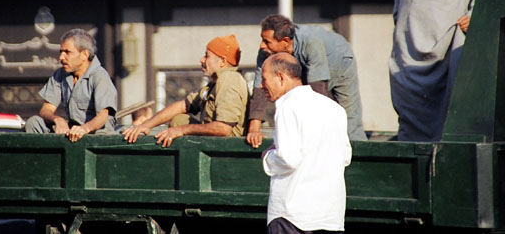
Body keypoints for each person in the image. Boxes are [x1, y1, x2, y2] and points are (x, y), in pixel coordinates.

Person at [389, 0, 494, 142]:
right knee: (408, 110)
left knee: (444, 112)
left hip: (442, 51)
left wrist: (473, 16)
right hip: (407, 52)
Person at [261, 52, 351, 234]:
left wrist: (268, 155)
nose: (262, 86)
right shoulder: (335, 109)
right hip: (330, 216)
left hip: (292, 216)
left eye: (264, 80)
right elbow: (345, 156)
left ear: (280, 77)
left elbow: (288, 158)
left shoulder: (287, 107)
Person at [247, 14, 366, 148]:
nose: (262, 45)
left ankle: (361, 157)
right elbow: (259, 88)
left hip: (340, 60)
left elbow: (318, 90)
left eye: (267, 41)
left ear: (285, 41)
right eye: (262, 39)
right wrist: (254, 130)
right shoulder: (266, 52)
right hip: (312, 66)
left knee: (347, 117)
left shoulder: (311, 42)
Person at [123, 34, 249, 147]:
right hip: (215, 148)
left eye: (207, 56)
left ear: (222, 61)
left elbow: (223, 128)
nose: (202, 60)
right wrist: (147, 125)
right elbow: (183, 105)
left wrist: (182, 130)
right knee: (180, 120)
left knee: (180, 125)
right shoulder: (214, 85)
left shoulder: (229, 79)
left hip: (227, 151)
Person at [25, 28, 118, 142]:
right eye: (61, 52)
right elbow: (46, 110)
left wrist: (84, 129)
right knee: (34, 122)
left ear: (84, 55)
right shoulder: (60, 74)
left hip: (96, 134)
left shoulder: (100, 76)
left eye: (67, 52)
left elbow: (103, 116)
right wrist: (58, 120)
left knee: (101, 135)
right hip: (72, 131)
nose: (61, 58)